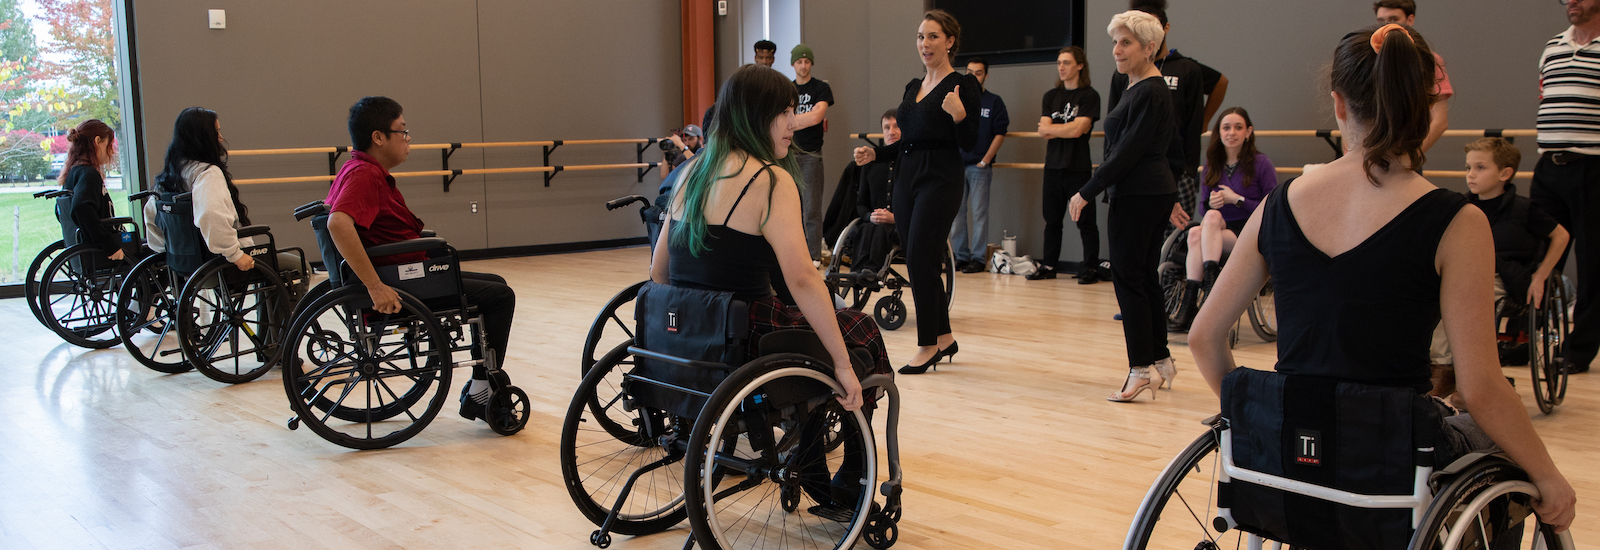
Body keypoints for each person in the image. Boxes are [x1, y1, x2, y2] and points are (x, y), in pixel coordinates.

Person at [1190, 24, 1576, 534]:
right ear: (1425, 110)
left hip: (1296, 458)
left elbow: (1202, 338)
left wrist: (1267, 420)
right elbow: (1481, 388)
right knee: (1497, 441)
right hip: (1392, 458)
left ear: (1339, 105)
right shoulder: (1457, 222)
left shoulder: (1279, 204)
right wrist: (1550, 477)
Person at [650, 66, 891, 509]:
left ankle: (813, 454)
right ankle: (849, 474)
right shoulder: (770, 179)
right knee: (863, 331)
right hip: (747, 336)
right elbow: (801, 278)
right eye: (785, 113)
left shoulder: (692, 173)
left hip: (687, 336)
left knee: (816, 330)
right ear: (759, 116)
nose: (793, 123)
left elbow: (659, 272)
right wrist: (841, 364)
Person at [323, 96, 517, 424]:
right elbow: (338, 223)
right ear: (378, 137)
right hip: (400, 279)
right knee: (500, 297)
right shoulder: (364, 176)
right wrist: (375, 287)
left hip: (405, 270)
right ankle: (482, 389)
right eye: (402, 130)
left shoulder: (361, 169)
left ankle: (481, 384)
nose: (408, 137)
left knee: (495, 285)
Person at [852, 9, 980, 375]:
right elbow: (906, 143)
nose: (925, 44)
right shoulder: (913, 87)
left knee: (923, 260)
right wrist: (876, 152)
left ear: (950, 41)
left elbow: (970, 143)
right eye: (921, 37)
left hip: (940, 178)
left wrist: (958, 115)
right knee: (918, 258)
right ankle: (943, 337)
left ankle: (927, 346)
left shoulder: (963, 84)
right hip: (908, 177)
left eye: (933, 36)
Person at [1070, 10, 1185, 401]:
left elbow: (1128, 153)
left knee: (1128, 280)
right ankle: (1161, 359)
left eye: (1126, 42)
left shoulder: (1151, 91)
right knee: (1143, 278)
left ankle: (1140, 369)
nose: (1117, 50)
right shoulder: (1139, 88)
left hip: (1138, 194)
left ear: (1150, 48)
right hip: (1148, 193)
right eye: (1115, 42)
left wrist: (1086, 190)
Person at [1430, 138, 1570, 400]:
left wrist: (1541, 275)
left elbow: (1560, 236)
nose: (1471, 174)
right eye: (1468, 167)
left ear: (1505, 173)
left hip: (1506, 277)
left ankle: (1471, 375)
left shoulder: (1525, 209)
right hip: (1466, 274)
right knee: (1436, 295)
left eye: (1480, 167)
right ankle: (1443, 368)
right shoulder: (1460, 206)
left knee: (1467, 299)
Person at [143, 107, 303, 275]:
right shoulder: (207, 174)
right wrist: (234, 254)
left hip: (184, 263)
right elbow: (211, 214)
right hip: (221, 262)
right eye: (216, 132)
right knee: (299, 265)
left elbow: (151, 215)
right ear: (203, 138)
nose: (221, 138)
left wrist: (164, 249)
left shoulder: (170, 175)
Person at [1112, 0, 1228, 220]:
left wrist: (1203, 121)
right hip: (1134, 167)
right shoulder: (1123, 73)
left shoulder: (1186, 68)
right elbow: (1115, 122)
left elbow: (1220, 82)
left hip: (1176, 164)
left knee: (1175, 232)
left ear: (1164, 29)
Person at [1533, 0, 1600, 374]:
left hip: (1593, 166)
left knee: (1592, 265)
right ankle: (1534, 338)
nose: (1571, 1)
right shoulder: (1553, 46)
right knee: (1539, 258)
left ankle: (1578, 350)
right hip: (1550, 166)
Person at [1168, 107, 1277, 331]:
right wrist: (1213, 204)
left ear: (1248, 132)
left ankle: (1191, 304)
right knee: (1203, 225)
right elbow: (1203, 206)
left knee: (1203, 229)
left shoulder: (1261, 163)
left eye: (1238, 127)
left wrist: (1237, 200)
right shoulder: (1212, 163)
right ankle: (1206, 288)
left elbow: (1271, 207)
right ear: (1219, 132)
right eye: (1226, 127)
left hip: (1248, 233)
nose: (1231, 132)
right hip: (1217, 231)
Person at [1032, 46, 1102, 282]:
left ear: (1080, 65)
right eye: (1059, 62)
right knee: (1051, 221)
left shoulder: (1089, 95)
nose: (1061, 67)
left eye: (1067, 63)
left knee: (1086, 222)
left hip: (1078, 167)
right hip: (1052, 167)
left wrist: (1058, 129)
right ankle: (1049, 266)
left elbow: (1079, 129)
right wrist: (1065, 129)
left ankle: (1090, 267)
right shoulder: (1051, 96)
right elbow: (1043, 130)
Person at [950, 57, 1008, 274]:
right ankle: (960, 256)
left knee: (979, 213)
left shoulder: (994, 101)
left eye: (979, 73)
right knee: (956, 214)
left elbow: (1000, 133)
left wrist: (985, 160)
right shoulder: (957, 101)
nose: (974, 77)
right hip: (957, 166)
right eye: (970, 72)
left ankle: (977, 257)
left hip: (979, 167)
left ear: (985, 75)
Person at [1374, 0, 1452, 154]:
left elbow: (1440, 121)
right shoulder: (1366, 57)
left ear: (1410, 19)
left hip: (1404, 152)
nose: (1386, 26)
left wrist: (1411, 156)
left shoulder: (1428, 60)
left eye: (1393, 20)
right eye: (1381, 21)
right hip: (1364, 154)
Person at [58, 119, 126, 262]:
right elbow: (81, 208)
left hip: (87, 245)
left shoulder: (73, 173)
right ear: (97, 141)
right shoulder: (88, 174)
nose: (112, 151)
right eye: (110, 145)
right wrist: (109, 245)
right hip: (106, 246)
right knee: (156, 253)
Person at [791, 43, 834, 263]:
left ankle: (814, 256)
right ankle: (795, 256)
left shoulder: (820, 88)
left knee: (811, 208)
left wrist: (790, 122)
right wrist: (804, 120)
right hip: (789, 155)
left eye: (807, 61)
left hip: (811, 154)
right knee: (791, 208)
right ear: (793, 64)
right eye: (799, 61)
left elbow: (817, 117)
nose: (803, 66)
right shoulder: (786, 89)